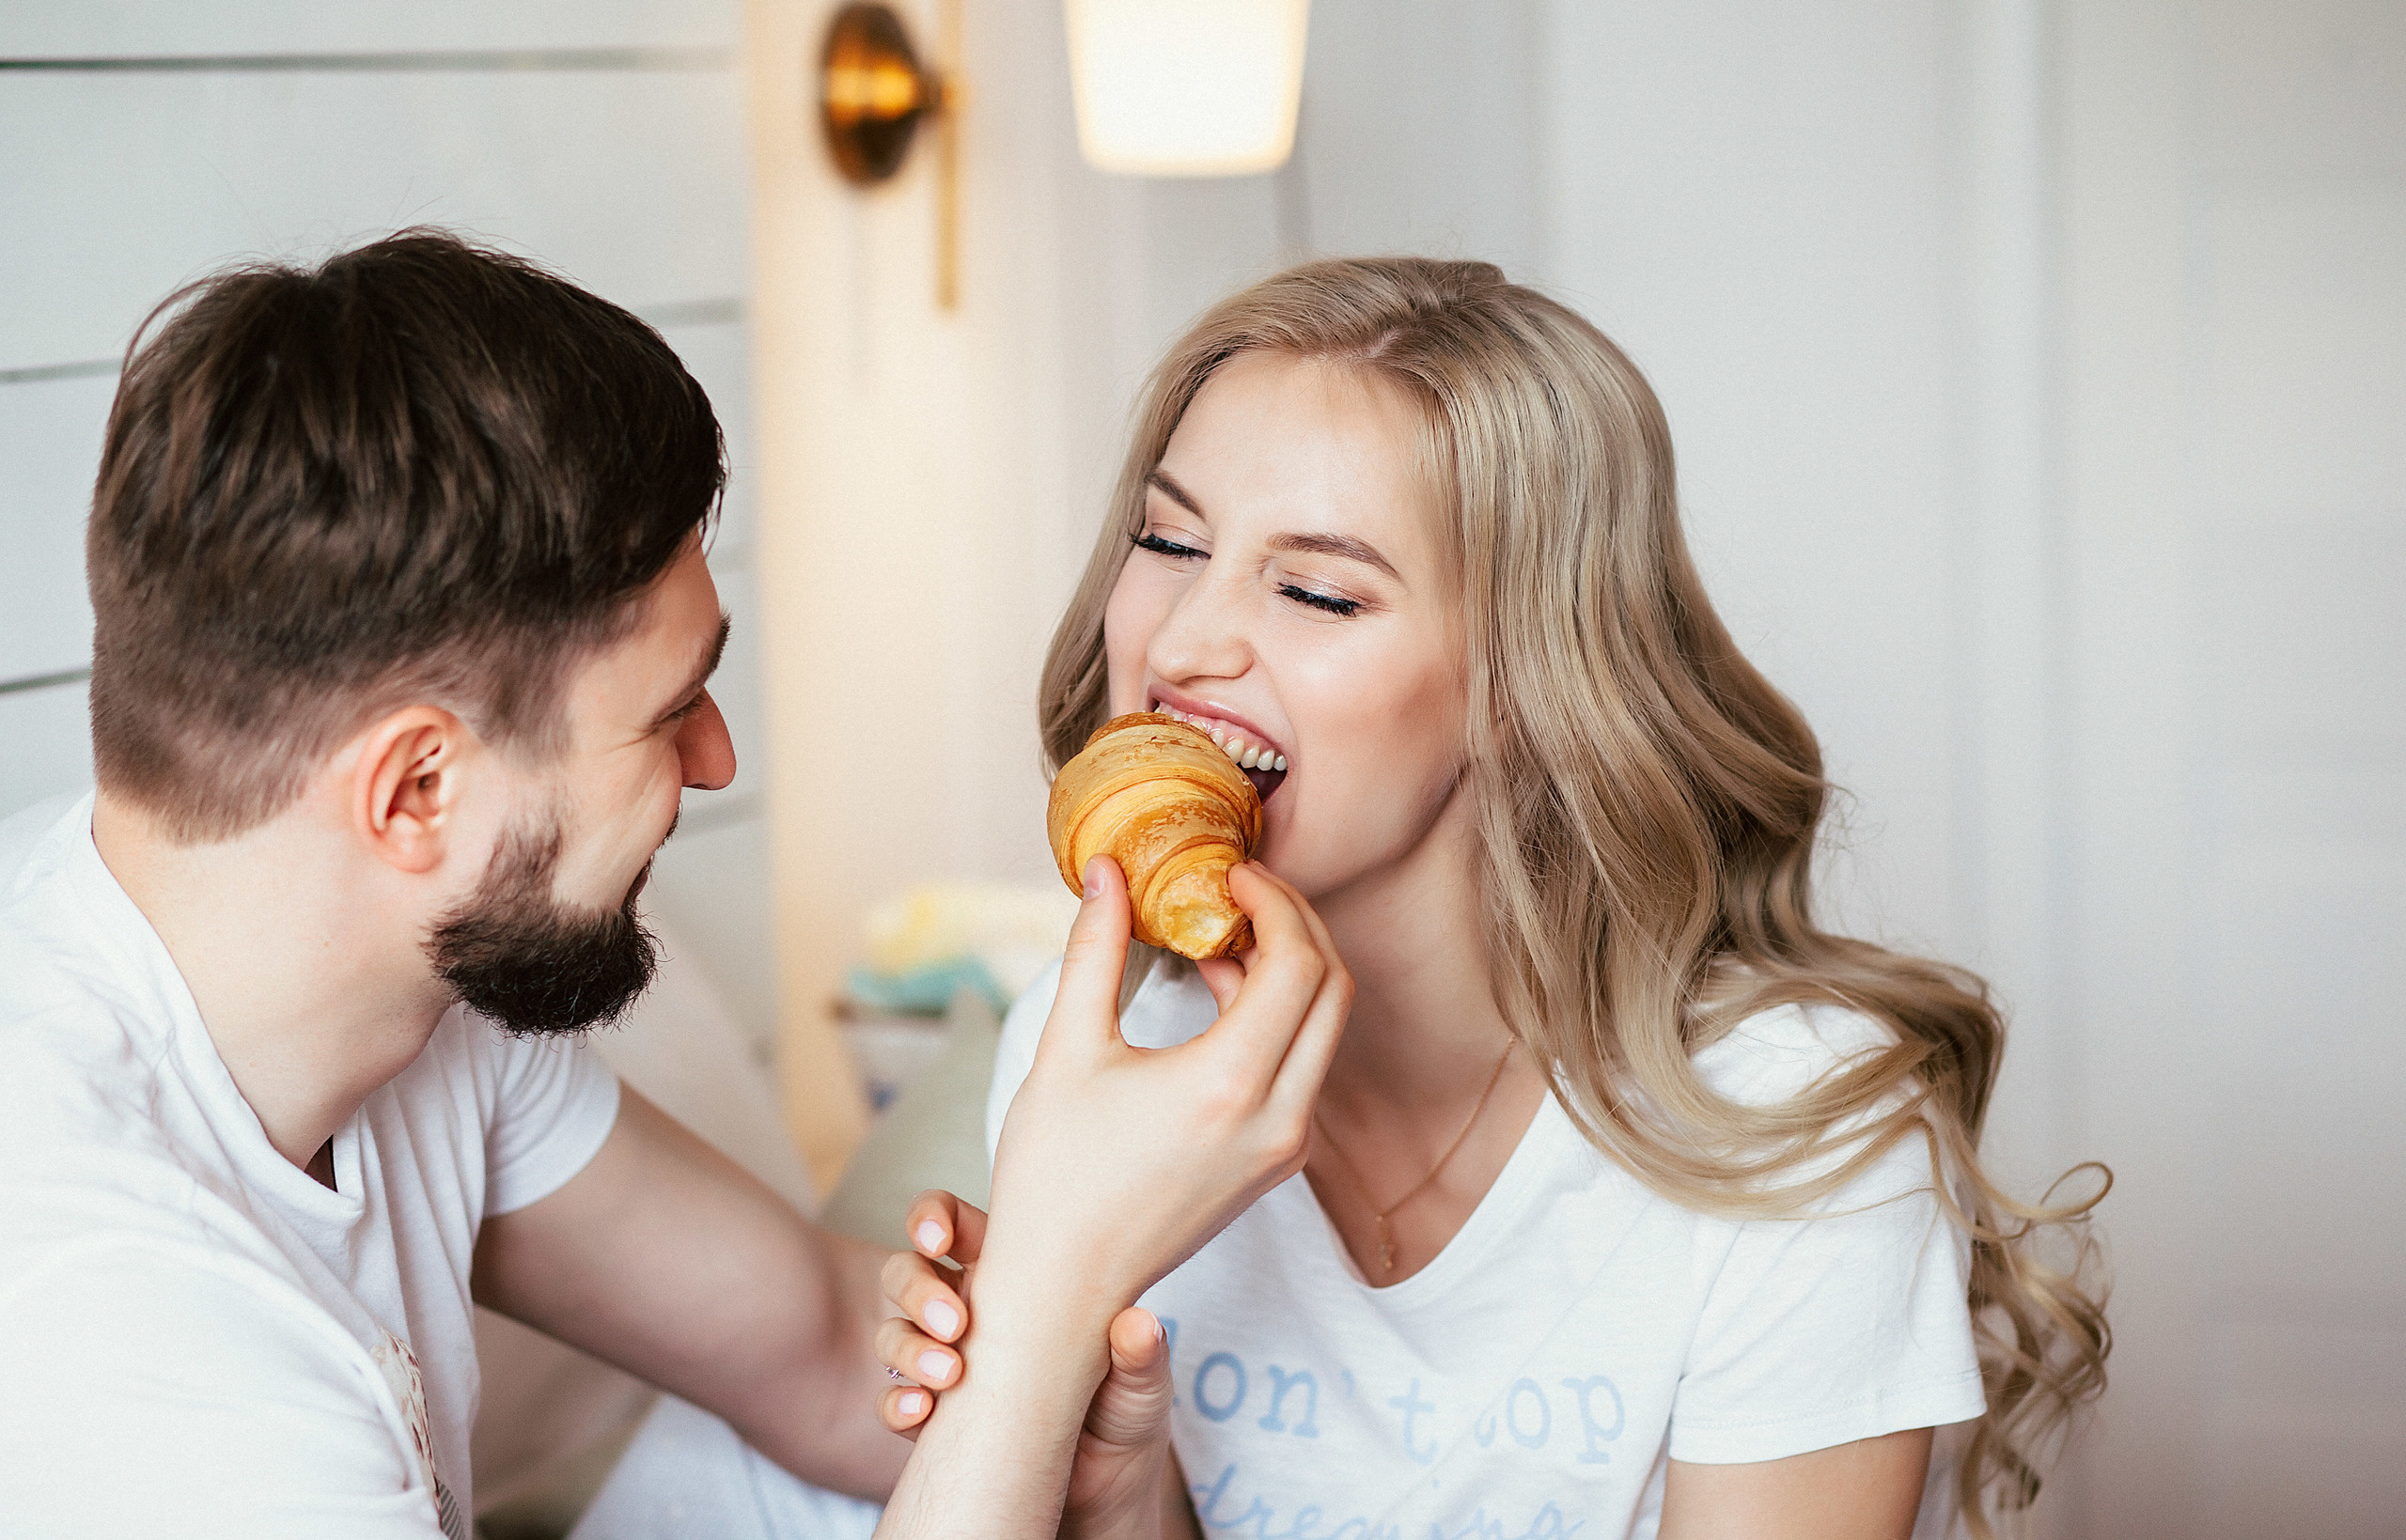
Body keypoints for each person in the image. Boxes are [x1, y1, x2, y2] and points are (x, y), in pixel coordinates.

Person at [0, 229, 1347, 1540]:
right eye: (669, 711)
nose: (717, 761)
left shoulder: (407, 994)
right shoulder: (141, 1359)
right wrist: (1061, 1272)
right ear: (416, 791)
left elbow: (827, 1360)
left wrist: (1050, 1355)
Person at [879, 257, 2113, 1538]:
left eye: (1316, 590)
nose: (1183, 639)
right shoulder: (1089, 1068)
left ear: (1524, 684)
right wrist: (1116, 1483)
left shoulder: (1794, 1135)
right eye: (1168, 539)